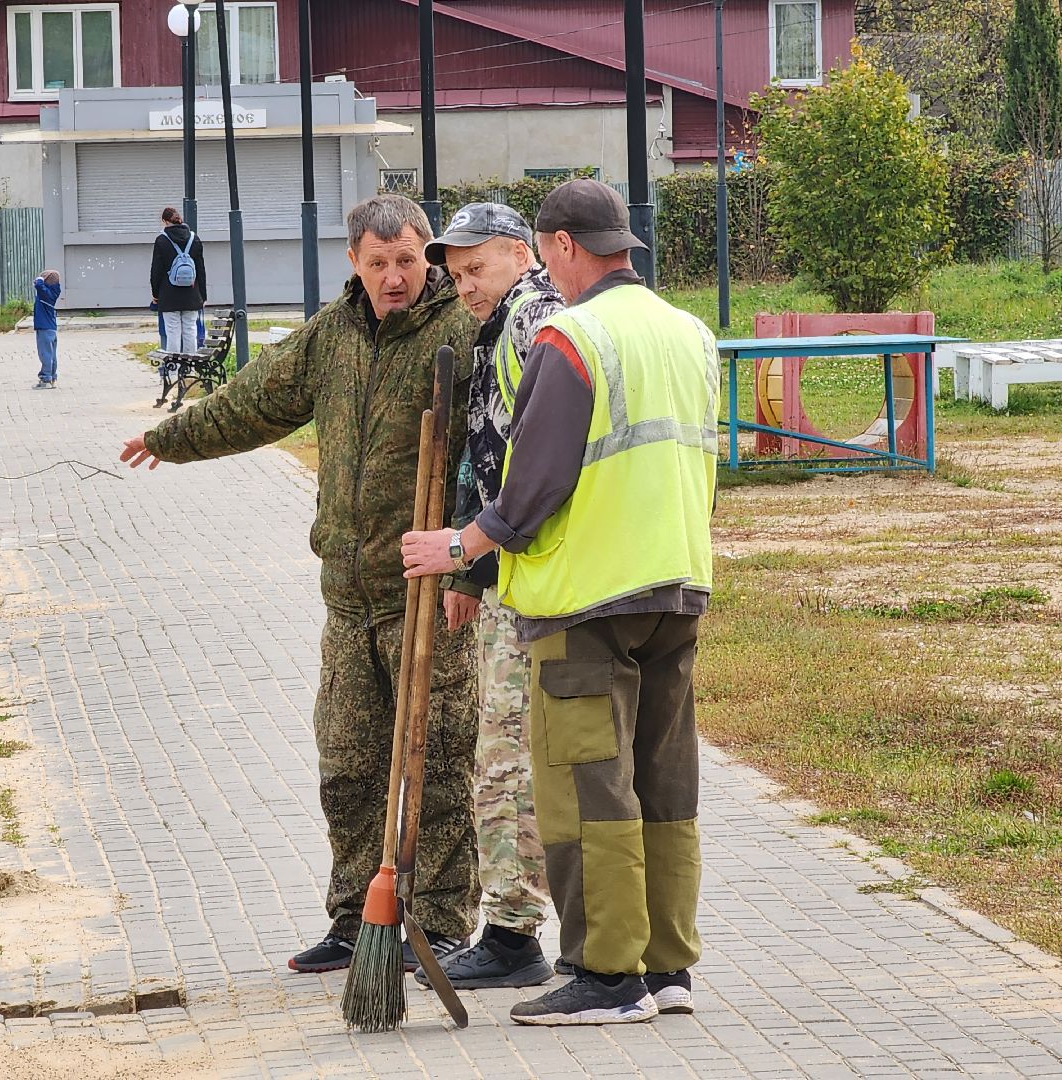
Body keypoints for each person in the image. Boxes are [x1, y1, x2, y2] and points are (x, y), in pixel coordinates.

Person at [122, 194, 481, 975]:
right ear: (353, 262)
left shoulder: (464, 333)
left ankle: (445, 921)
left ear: (432, 258)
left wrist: (471, 568)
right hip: (348, 596)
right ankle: (357, 918)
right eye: (378, 262)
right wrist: (168, 439)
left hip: (428, 591)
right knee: (349, 762)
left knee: (439, 756)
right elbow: (257, 400)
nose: (394, 278)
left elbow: (489, 459)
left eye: (408, 261)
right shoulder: (334, 334)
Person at [402, 178, 719, 1025]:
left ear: (559, 247)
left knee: (586, 785)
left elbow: (532, 481)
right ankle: (665, 967)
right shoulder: (688, 332)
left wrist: (462, 547)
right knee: (663, 777)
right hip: (677, 585)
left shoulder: (572, 338)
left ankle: (606, 976)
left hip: (588, 595)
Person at [418, 203, 564, 990]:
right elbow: (487, 451)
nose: (466, 286)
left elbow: (523, 465)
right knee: (509, 749)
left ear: (521, 253)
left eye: (477, 269)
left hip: (531, 572)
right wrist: (472, 576)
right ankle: (521, 920)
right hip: (505, 570)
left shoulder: (532, 321)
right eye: (457, 275)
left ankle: (513, 933)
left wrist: (473, 553)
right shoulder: (504, 321)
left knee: (506, 754)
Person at [151, 207, 207, 355]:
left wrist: (156, 295)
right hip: (192, 294)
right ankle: (190, 370)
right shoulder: (194, 238)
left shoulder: (161, 240)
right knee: (190, 330)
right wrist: (203, 296)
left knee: (172, 332)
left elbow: (156, 271)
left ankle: (174, 371)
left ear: (164, 221)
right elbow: (201, 270)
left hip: (169, 296)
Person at [33, 269, 61, 388]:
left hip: (44, 327)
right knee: (52, 354)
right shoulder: (54, 291)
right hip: (51, 328)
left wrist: (40, 278)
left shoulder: (45, 294)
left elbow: (38, 284)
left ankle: (45, 379)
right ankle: (52, 377)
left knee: (45, 353)